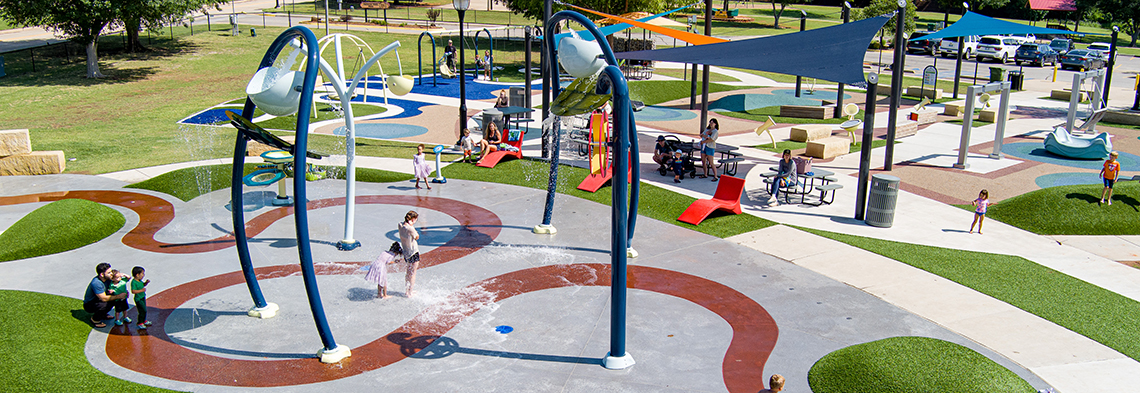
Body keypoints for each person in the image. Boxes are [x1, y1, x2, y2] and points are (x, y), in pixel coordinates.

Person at [83, 263, 129, 328]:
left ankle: (103, 314)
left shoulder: (109, 279)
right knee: (105, 304)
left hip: (98, 299)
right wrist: (119, 296)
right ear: (102, 274)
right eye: (109, 272)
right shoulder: (96, 283)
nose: (111, 274)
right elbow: (103, 298)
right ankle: (95, 319)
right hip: (90, 304)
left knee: (113, 299)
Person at [398, 211, 422, 297]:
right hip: (413, 252)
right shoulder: (410, 228)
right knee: (413, 273)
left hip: (406, 252)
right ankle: (410, 292)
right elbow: (417, 236)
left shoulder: (400, 225)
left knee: (408, 271)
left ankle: (407, 290)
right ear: (412, 219)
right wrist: (412, 226)